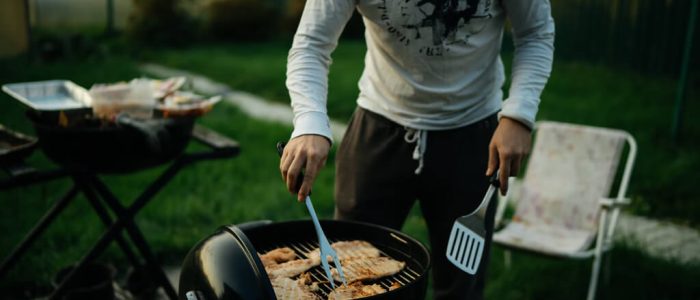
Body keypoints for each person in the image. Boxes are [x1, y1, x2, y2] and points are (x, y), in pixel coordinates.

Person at [279, 0, 554, 299]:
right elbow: (311, 44)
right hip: (379, 127)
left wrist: (518, 116)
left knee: (461, 284)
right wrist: (310, 123)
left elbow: (536, 33)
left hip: (474, 132)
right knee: (349, 276)